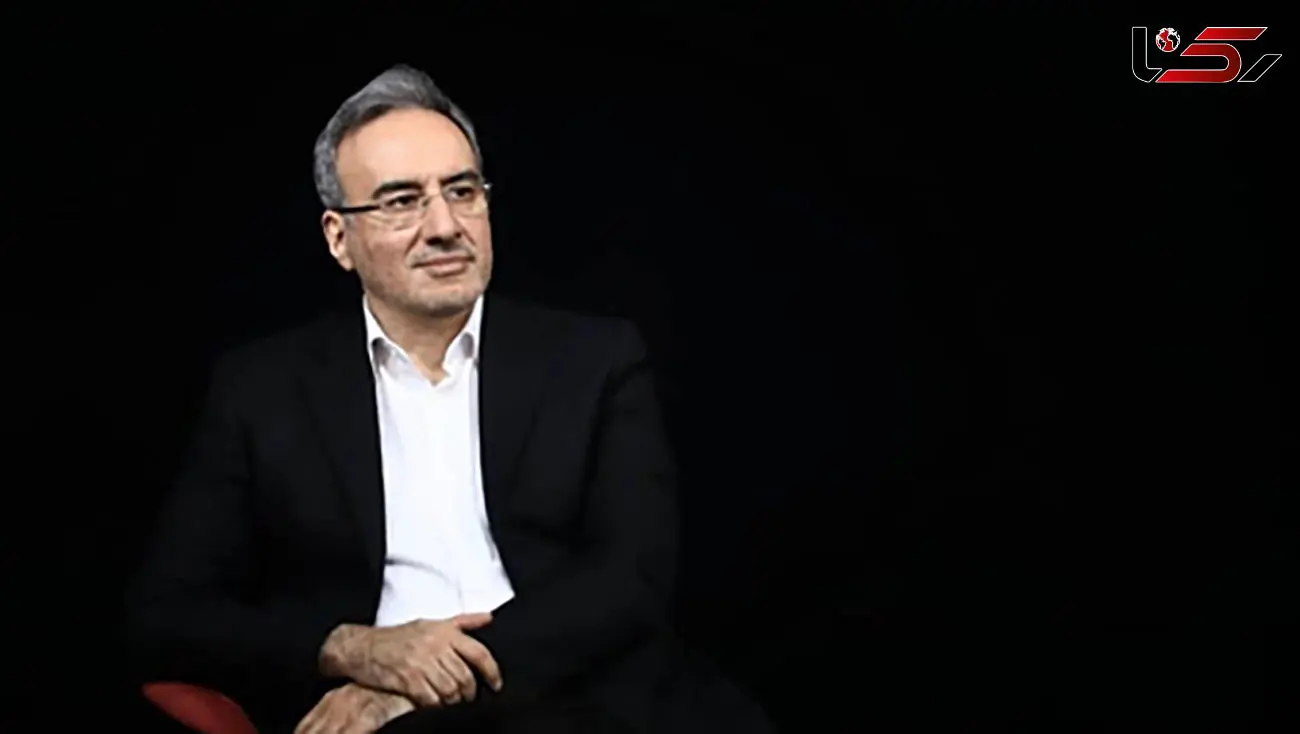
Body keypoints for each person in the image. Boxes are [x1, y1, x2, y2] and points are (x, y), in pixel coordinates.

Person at [124, 65, 771, 734]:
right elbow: (168, 615)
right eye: (401, 201)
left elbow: (630, 581)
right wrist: (357, 651)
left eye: (461, 191)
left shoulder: (594, 359)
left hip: (571, 694)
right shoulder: (262, 389)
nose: (443, 225)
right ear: (339, 238)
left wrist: (418, 687)